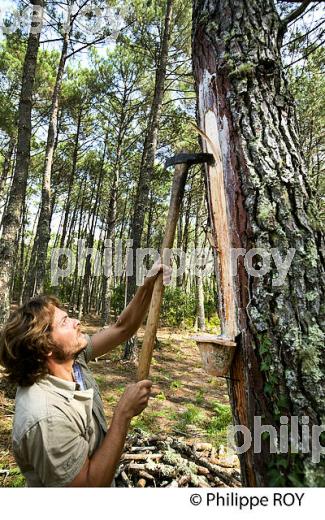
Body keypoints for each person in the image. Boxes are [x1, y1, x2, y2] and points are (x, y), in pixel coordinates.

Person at [0, 264, 171, 487]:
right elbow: (88, 489)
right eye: (64, 322)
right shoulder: (46, 418)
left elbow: (123, 328)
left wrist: (147, 286)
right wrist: (122, 415)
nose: (76, 322)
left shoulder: (71, 359)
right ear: (45, 346)